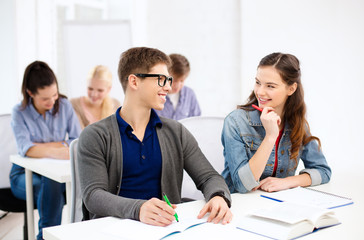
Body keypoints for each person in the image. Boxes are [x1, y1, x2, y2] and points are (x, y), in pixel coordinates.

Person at [77, 47, 232, 226]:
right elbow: (94, 195)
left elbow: (209, 177)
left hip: (165, 228)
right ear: (134, 81)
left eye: (168, 79)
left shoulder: (176, 132)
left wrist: (218, 196)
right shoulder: (95, 135)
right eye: (160, 79)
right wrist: (139, 209)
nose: (168, 87)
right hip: (112, 229)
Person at [221, 52, 331, 194]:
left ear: (291, 89)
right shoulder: (236, 121)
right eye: (258, 82)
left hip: (278, 205)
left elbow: (323, 171)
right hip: (238, 204)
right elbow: (243, 185)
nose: (260, 92)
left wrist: (287, 182)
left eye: (270, 86)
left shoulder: (297, 123)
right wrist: (270, 136)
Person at [10, 61, 81, 240]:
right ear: (30, 93)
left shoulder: (64, 105)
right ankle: (48, 236)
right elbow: (26, 149)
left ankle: (45, 236)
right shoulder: (19, 112)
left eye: (54, 95)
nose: (51, 101)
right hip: (23, 176)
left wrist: (40, 147)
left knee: (53, 183)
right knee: (52, 185)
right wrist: (58, 147)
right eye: (44, 98)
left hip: (55, 177)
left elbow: (75, 141)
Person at [155, 53, 201, 120]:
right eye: (174, 80)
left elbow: (196, 121)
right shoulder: (154, 94)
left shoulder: (189, 94)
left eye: (182, 81)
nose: (178, 86)